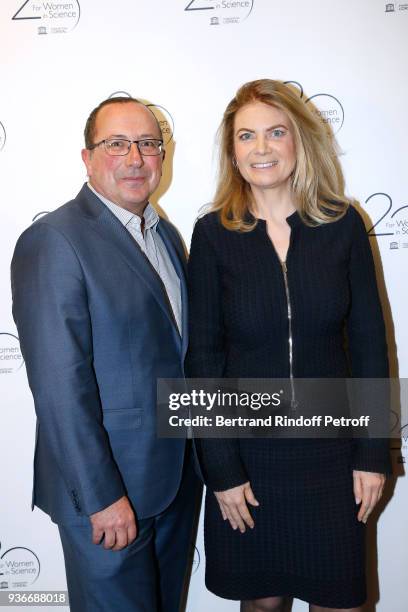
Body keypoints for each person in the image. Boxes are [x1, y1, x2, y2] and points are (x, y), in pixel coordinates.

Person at [186, 80, 391, 612]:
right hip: (250, 459)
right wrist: (223, 471)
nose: (262, 148)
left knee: (339, 602)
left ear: (299, 141)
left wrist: (373, 452)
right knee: (263, 604)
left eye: (276, 132)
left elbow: (370, 349)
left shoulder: (344, 225)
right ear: (232, 151)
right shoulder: (212, 235)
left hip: (332, 456)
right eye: (246, 136)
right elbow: (203, 362)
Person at [11, 96, 200, 612]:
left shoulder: (165, 236)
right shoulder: (54, 240)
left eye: (148, 143)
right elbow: (58, 386)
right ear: (87, 157)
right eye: (116, 144)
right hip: (107, 497)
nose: (135, 157)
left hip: (175, 483)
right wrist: (101, 496)